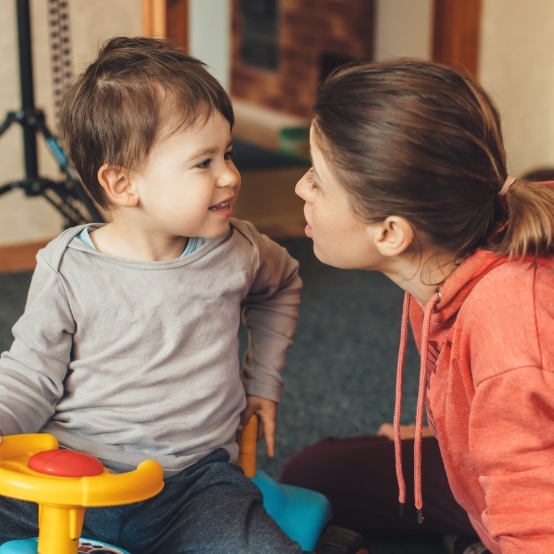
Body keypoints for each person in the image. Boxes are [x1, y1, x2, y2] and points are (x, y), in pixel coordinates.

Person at [0, 37, 303, 553]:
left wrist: (263, 381)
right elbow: (31, 374)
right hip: (74, 479)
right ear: (122, 184)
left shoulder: (242, 251)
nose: (231, 174)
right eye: (203, 162)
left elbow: (283, 285)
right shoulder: (68, 265)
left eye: (227, 154)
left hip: (190, 485)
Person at [282, 57, 554, 554]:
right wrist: (452, 429)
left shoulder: (508, 323)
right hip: (525, 451)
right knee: (316, 476)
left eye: (318, 180)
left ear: (390, 233)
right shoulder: (444, 263)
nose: (301, 187)